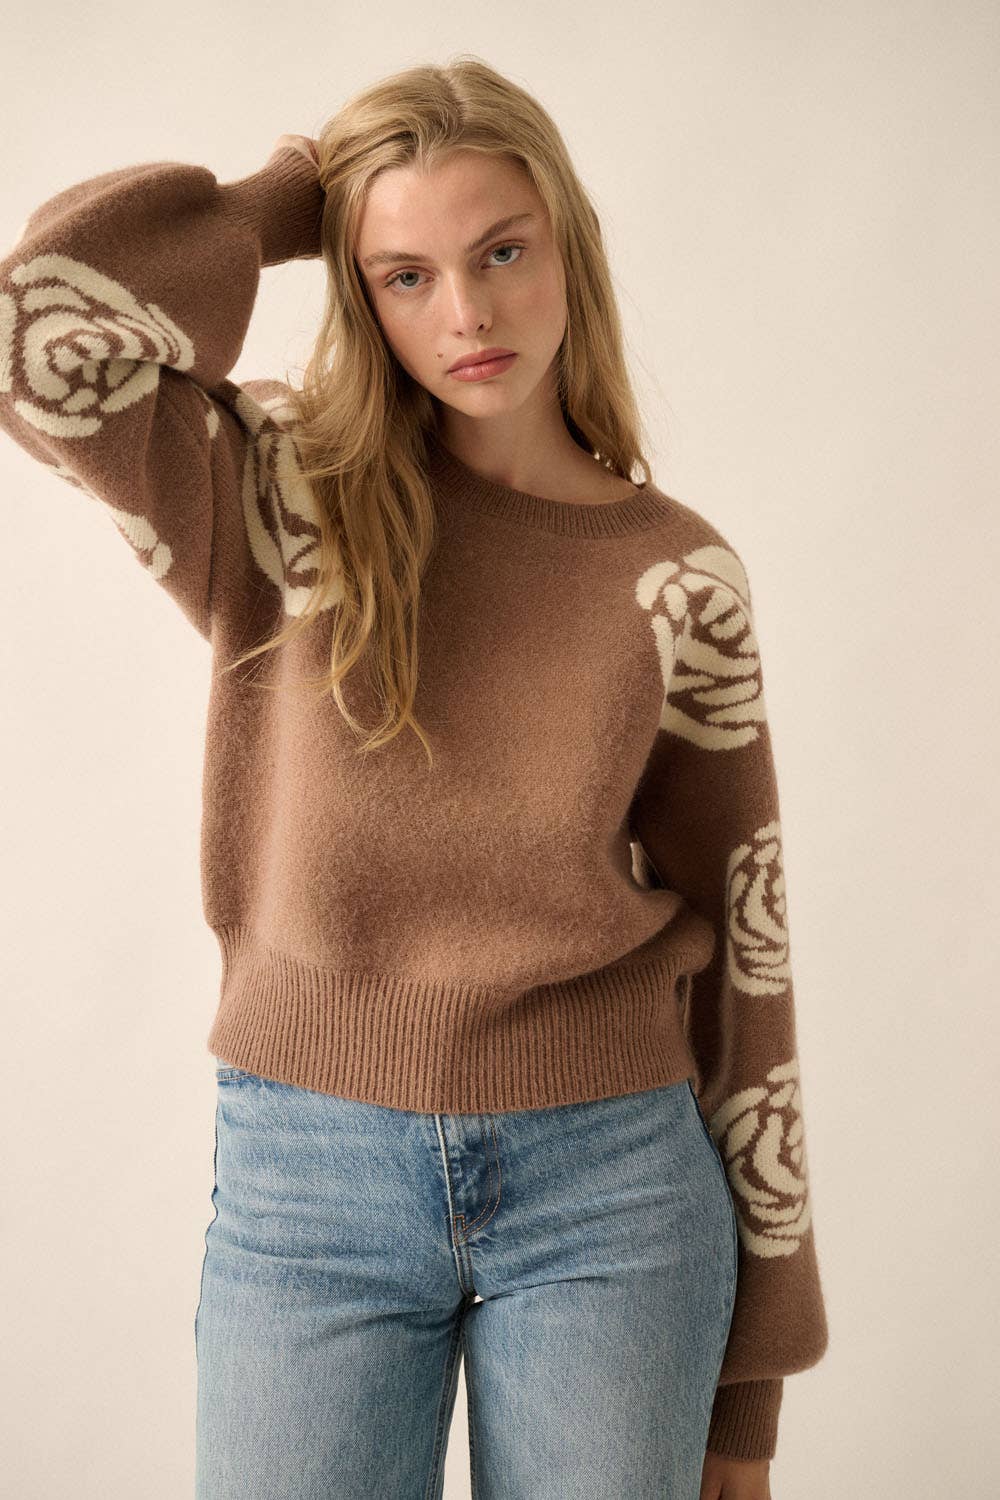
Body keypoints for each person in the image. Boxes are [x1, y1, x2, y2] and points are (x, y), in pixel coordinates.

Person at [0, 54, 828, 1500]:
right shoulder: (279, 494)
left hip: (613, 1189)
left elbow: (748, 971)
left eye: (502, 251)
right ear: (359, 290)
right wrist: (284, 202)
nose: (468, 313)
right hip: (307, 1180)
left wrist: (747, 1393)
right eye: (405, 274)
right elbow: (36, 332)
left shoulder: (678, 581)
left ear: (569, 243)